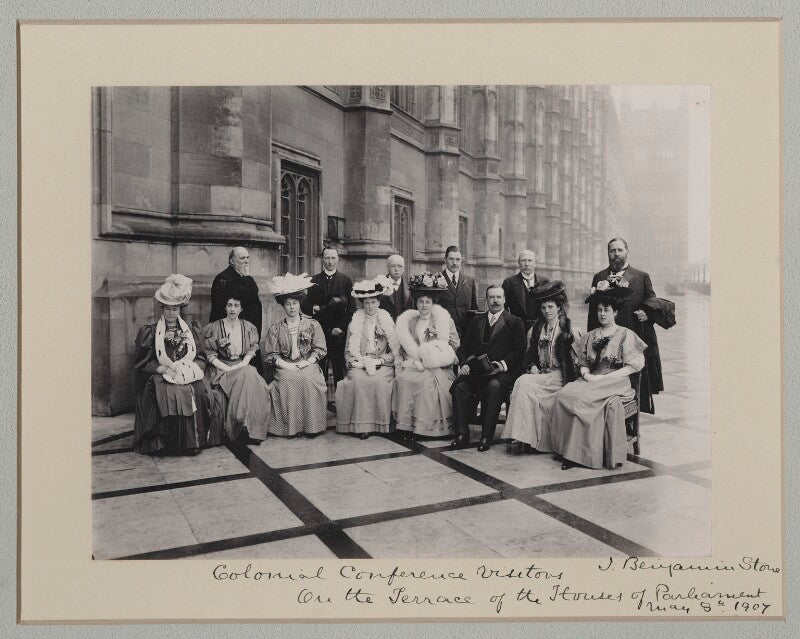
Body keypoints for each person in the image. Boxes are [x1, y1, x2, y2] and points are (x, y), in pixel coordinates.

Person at [551, 286, 647, 470]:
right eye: (599, 310)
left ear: (615, 312)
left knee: (583, 400)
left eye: (607, 310)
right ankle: (565, 448)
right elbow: (582, 361)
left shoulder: (625, 334)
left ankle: (579, 455)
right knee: (564, 394)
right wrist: (587, 374)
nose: (602, 314)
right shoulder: (592, 335)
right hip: (593, 379)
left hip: (616, 381)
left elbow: (636, 364)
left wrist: (607, 378)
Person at [133, 274, 222, 456]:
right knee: (167, 392)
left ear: (180, 310)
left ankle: (191, 442)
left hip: (187, 373)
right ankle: (165, 444)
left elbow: (201, 357)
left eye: (174, 309)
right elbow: (143, 362)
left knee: (197, 390)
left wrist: (189, 370)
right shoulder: (150, 332)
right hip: (162, 373)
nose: (171, 313)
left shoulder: (191, 330)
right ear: (162, 309)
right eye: (167, 309)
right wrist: (165, 369)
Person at [501, 281, 582, 453]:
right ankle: (523, 435)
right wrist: (531, 366)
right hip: (543, 375)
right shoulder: (536, 329)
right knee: (523, 382)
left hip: (561, 376)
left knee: (524, 384)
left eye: (551, 307)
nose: (547, 311)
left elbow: (576, 361)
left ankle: (526, 436)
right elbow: (529, 355)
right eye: (544, 307)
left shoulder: (569, 330)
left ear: (559, 308)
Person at [587, 238, 664, 413]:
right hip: (606, 342)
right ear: (608, 253)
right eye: (612, 251)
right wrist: (591, 342)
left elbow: (651, 301)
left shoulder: (641, 276)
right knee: (605, 380)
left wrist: (648, 313)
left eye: (620, 250)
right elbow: (593, 314)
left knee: (633, 380)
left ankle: (630, 417)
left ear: (627, 252)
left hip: (632, 338)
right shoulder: (599, 278)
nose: (616, 254)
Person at [451, 285, 526, 452]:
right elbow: (464, 347)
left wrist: (502, 365)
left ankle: (486, 436)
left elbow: (519, 351)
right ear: (486, 301)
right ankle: (462, 434)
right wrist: (464, 364)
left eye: (499, 297)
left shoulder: (514, 321)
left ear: (504, 300)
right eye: (491, 297)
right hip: (477, 374)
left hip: (501, 374)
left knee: (493, 386)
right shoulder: (476, 320)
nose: (495, 300)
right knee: (460, 387)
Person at [392, 272, 460, 441]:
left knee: (426, 383)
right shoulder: (410, 321)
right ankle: (407, 425)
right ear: (416, 303)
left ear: (433, 303)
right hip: (415, 363)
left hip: (438, 366)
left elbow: (454, 345)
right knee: (404, 380)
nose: (424, 305)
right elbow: (403, 348)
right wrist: (412, 358)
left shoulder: (443, 321)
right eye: (421, 302)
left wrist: (439, 341)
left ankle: (428, 427)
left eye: (427, 302)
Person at [203, 285, 271, 444]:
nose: (232, 309)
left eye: (236, 306)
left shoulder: (248, 327)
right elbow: (210, 354)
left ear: (241, 309)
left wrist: (241, 365)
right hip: (221, 368)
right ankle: (239, 426)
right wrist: (228, 368)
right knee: (249, 375)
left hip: (242, 365)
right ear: (225, 307)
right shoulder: (213, 327)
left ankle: (249, 427)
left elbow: (251, 350)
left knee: (256, 381)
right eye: (229, 305)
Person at [335, 278, 400, 439]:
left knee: (379, 382)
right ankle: (362, 425)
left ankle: (381, 424)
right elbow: (348, 352)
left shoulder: (387, 321)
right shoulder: (355, 323)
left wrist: (379, 361)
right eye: (367, 303)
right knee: (358, 380)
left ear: (379, 302)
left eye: (373, 302)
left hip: (383, 364)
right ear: (362, 304)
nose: (370, 306)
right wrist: (359, 363)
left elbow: (395, 351)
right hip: (360, 362)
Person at [265, 273, 328, 437]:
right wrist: (287, 365)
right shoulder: (276, 329)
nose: (292, 307)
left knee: (308, 379)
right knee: (287, 380)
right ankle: (290, 428)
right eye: (288, 304)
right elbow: (272, 354)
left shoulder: (312, 324)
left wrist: (307, 363)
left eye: (294, 303)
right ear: (283, 306)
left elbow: (320, 349)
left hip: (307, 363)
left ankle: (311, 427)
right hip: (285, 365)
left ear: (300, 304)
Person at [301, 247, 356, 388]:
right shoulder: (313, 280)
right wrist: (315, 307)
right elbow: (304, 304)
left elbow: (351, 308)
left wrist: (341, 327)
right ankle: (320, 397)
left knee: (339, 368)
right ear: (322, 259)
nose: (330, 261)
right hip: (320, 330)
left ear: (338, 259)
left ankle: (339, 400)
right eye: (327, 258)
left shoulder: (346, 281)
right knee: (319, 365)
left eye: (333, 258)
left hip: (339, 332)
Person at [210, 246, 264, 375]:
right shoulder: (223, 279)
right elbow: (220, 309)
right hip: (232, 333)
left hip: (250, 332)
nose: (246, 261)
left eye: (247, 257)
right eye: (242, 258)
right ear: (232, 261)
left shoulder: (248, 278)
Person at [502, 250, 551, 333]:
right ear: (518, 263)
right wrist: (510, 324)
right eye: (523, 260)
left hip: (540, 328)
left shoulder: (544, 282)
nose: (526, 264)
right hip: (517, 329)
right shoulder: (509, 282)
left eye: (530, 260)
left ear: (535, 263)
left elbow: (551, 305)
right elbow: (503, 307)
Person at [436, 245, 478, 338]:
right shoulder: (436, 280)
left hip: (465, 333)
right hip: (443, 332)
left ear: (461, 261)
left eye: (458, 259)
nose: (455, 263)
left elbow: (474, 308)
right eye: (451, 259)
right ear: (445, 259)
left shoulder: (470, 281)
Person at [378, 254, 413, 320]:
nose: (396, 269)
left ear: (404, 268)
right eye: (393, 266)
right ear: (387, 267)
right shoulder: (379, 285)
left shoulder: (410, 287)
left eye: (400, 266)